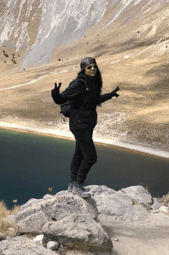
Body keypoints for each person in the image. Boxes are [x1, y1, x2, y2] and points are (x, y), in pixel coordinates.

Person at [51, 57, 120, 198]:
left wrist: (110, 95)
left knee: (79, 154)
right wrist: (55, 94)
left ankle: (72, 184)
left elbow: (95, 100)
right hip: (79, 124)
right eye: (89, 67)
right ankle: (78, 184)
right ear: (83, 69)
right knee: (91, 157)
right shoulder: (79, 83)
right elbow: (61, 99)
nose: (93, 68)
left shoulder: (92, 83)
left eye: (94, 66)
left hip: (87, 125)